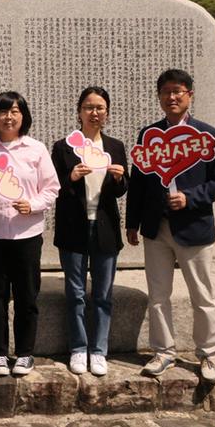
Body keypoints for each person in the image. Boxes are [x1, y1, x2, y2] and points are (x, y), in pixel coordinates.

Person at [126, 68, 215, 383]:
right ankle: (163, 352)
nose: (172, 97)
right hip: (155, 228)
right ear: (159, 97)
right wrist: (132, 222)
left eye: (178, 91)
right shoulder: (149, 135)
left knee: (202, 294)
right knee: (158, 294)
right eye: (165, 92)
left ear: (190, 94)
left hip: (193, 227)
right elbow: (139, 185)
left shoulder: (209, 136)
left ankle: (209, 355)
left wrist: (191, 198)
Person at [0, 92, 59, 377]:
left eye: (15, 111)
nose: (9, 117)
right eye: (3, 112)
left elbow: (52, 188)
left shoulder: (36, 149)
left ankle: (24, 353)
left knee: (26, 296)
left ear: (23, 116)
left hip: (27, 234)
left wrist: (32, 205)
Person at [50, 87, 127, 377]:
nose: (94, 113)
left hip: (105, 227)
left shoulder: (115, 146)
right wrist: (70, 177)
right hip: (73, 228)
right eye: (89, 107)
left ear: (107, 112)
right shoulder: (63, 147)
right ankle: (78, 348)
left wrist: (119, 179)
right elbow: (53, 187)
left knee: (104, 293)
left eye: (100, 108)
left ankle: (99, 350)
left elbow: (122, 188)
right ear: (79, 111)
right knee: (76, 292)